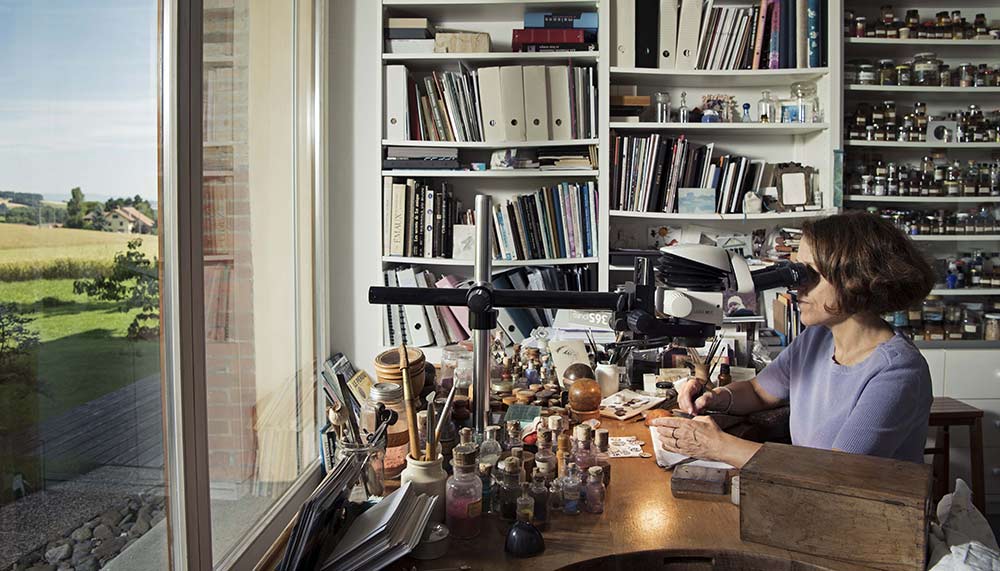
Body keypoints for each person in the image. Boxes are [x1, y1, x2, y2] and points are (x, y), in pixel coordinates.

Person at [654, 211, 937, 466]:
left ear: (856, 278)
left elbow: (836, 472)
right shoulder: (816, 339)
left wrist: (717, 446)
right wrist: (714, 397)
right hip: (807, 499)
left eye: (808, 273)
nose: (795, 284)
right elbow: (758, 392)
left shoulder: (898, 372)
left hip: (869, 516)